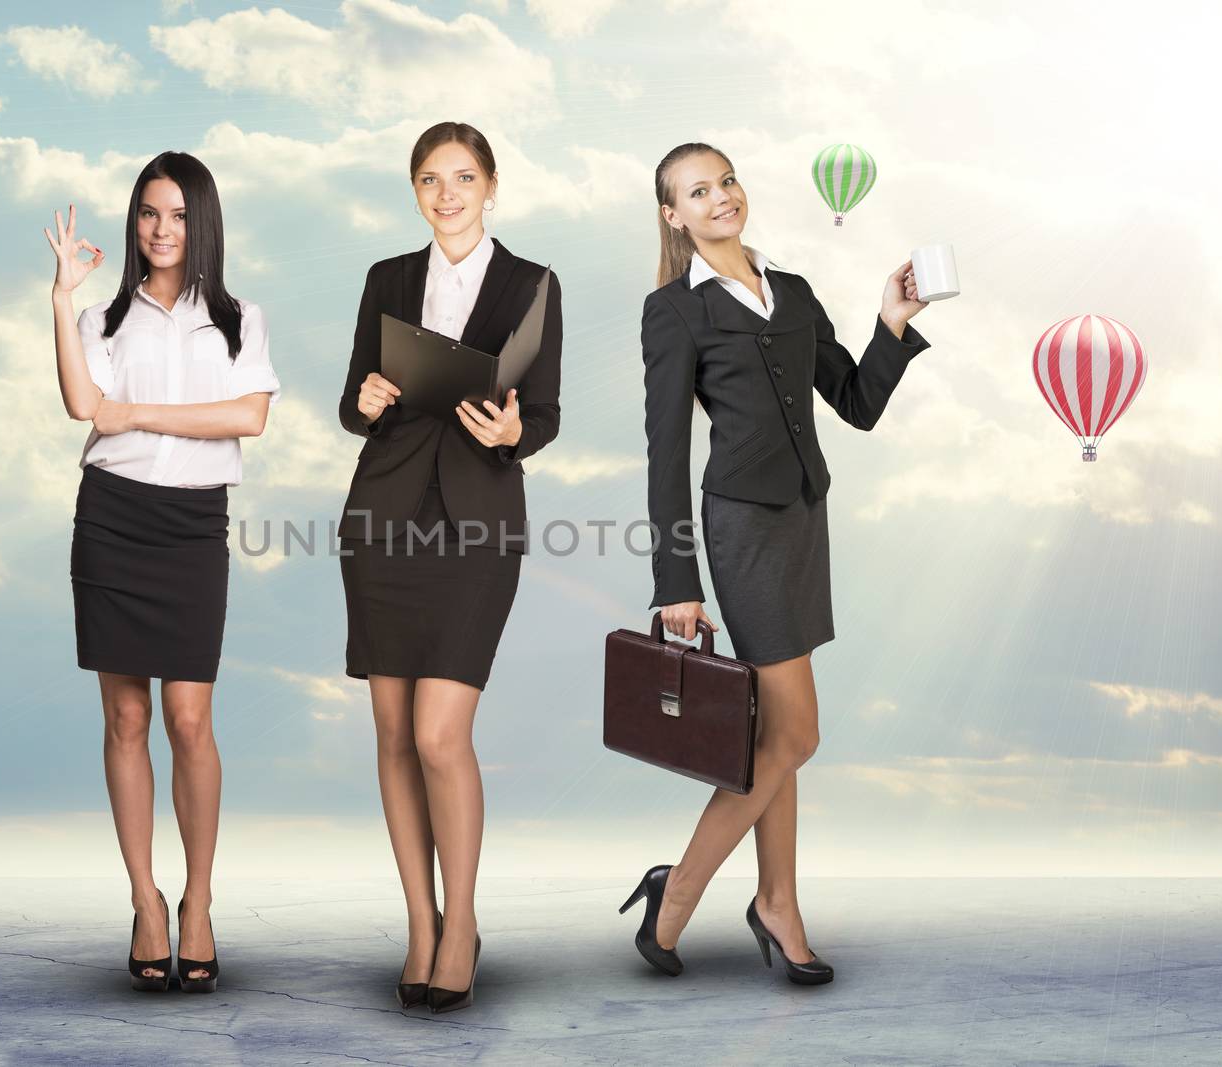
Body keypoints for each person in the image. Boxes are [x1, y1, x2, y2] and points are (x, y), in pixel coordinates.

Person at [624, 142, 931, 984]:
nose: (720, 197)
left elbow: (857, 403)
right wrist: (676, 581)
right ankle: (679, 890)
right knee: (798, 730)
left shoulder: (791, 292)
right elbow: (665, 455)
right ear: (672, 215)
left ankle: (777, 902)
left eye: (726, 180)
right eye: (697, 191)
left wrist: (891, 324)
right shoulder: (673, 311)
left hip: (802, 523)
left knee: (773, 738)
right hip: (740, 532)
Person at [335, 122, 562, 1013]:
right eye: (430, 179)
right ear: (415, 191)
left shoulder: (531, 282)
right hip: (382, 518)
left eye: (463, 176)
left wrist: (515, 432)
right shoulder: (386, 278)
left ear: (492, 183)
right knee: (392, 735)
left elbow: (541, 411)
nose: (447, 193)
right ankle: (419, 925)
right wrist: (364, 400)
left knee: (439, 735)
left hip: (475, 526)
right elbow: (356, 398)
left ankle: (461, 922)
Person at [46, 150, 281, 993]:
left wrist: (139, 412)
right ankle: (146, 900)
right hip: (112, 517)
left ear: (204, 222)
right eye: (149, 212)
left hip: (190, 524)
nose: (161, 229)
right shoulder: (104, 319)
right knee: (125, 717)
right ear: (133, 220)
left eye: (179, 215)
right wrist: (62, 299)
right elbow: (83, 407)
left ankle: (200, 901)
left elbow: (247, 416)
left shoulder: (240, 317)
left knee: (189, 720)